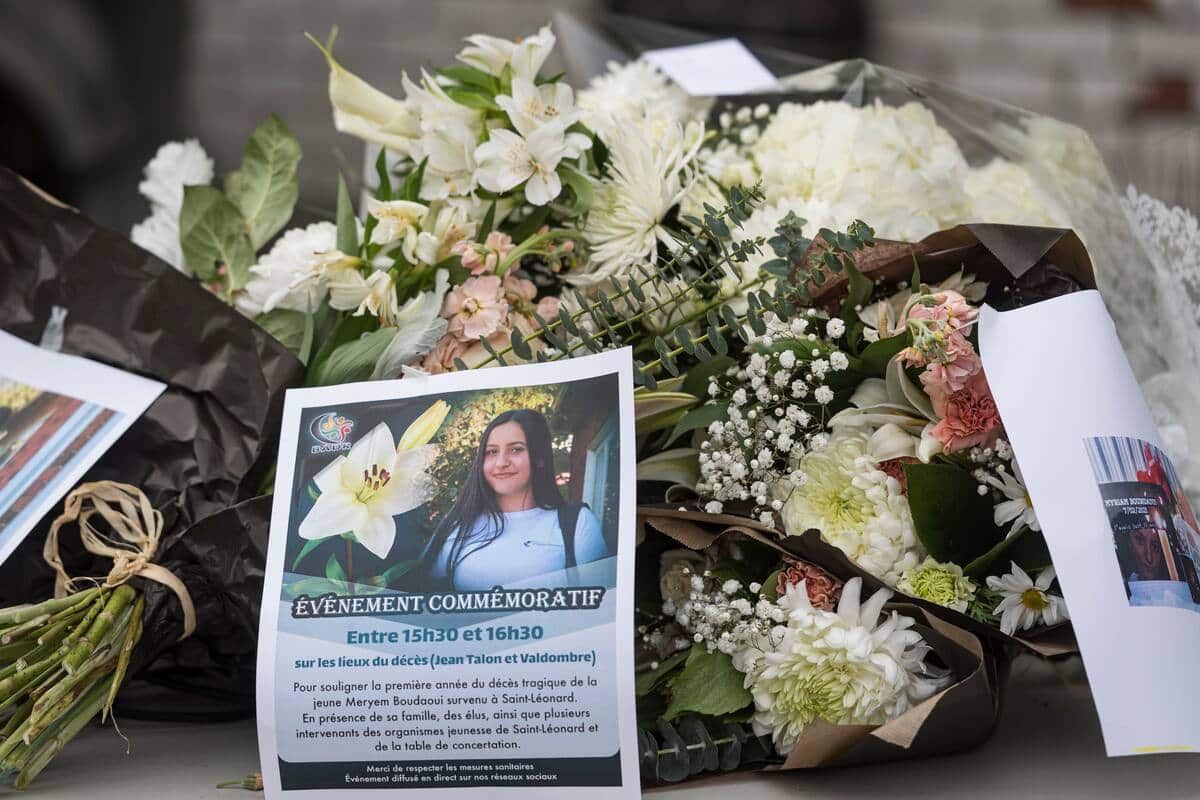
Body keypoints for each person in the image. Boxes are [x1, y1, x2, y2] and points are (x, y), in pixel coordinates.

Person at [422, 408, 608, 591]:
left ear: (539, 458)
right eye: (492, 452)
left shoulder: (577, 523)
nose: (501, 462)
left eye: (516, 449)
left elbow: (603, 609)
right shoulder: (456, 524)